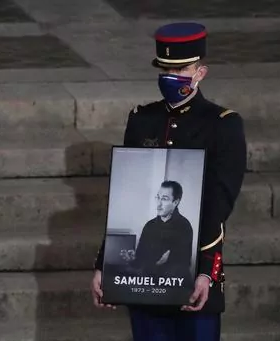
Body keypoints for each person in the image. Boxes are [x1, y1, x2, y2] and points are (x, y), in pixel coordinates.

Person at [90, 22, 247, 341]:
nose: (171, 76)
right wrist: (104, 263)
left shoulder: (222, 125)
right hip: (144, 283)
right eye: (165, 68)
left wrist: (206, 271)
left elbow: (219, 204)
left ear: (201, 72)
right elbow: (125, 195)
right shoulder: (141, 119)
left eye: (181, 68)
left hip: (192, 276)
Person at [122, 180, 193, 282]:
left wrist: (164, 262)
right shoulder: (149, 226)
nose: (159, 204)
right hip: (148, 280)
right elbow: (140, 258)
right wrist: (133, 259)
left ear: (176, 202)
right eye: (158, 198)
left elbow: (183, 264)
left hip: (173, 284)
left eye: (164, 199)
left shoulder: (184, 226)